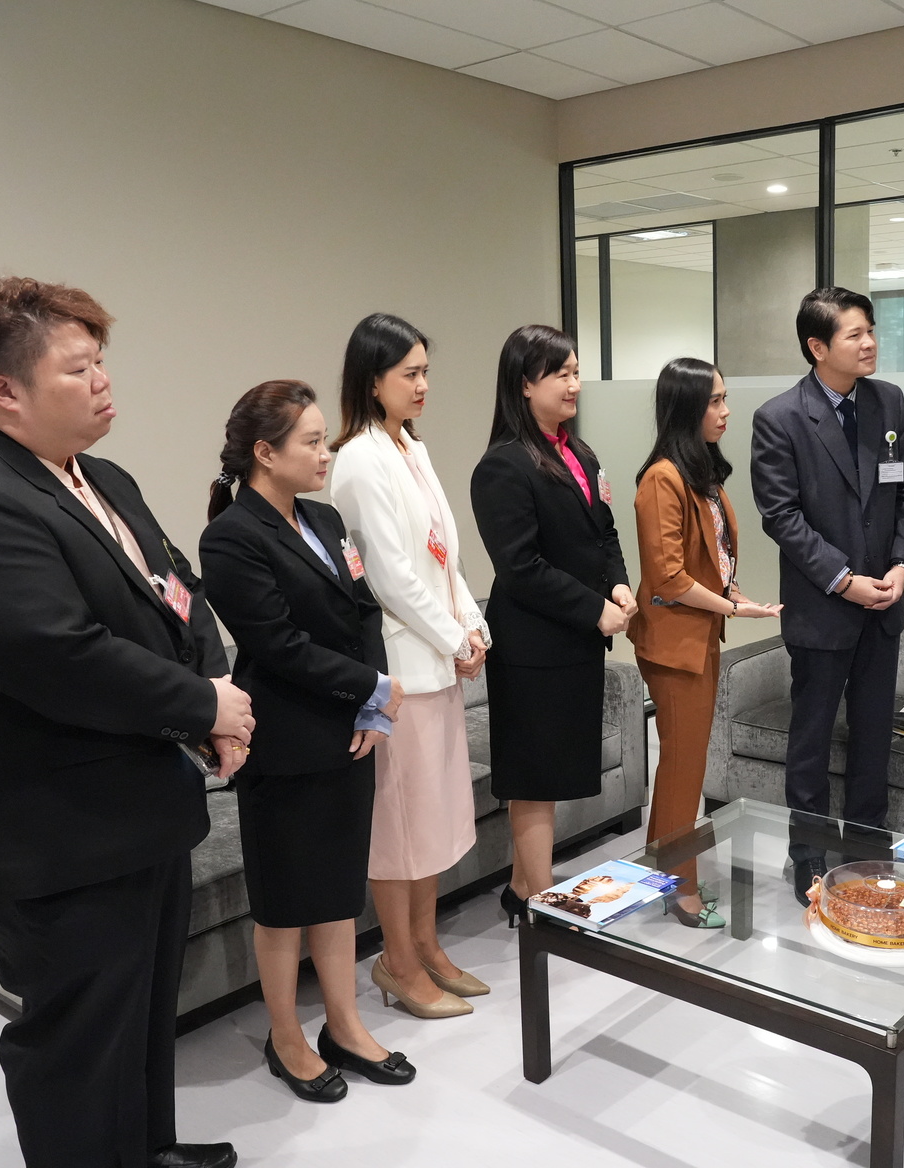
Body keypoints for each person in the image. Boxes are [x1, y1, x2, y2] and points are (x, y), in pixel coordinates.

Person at [0, 277, 246, 1168]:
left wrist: (211, 681)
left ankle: (150, 1148)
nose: (102, 381)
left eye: (101, 362)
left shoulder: (104, 478)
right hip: (56, 834)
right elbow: (60, 656)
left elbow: (178, 590)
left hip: (141, 807)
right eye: (78, 367)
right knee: (79, 1046)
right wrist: (202, 704)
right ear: (4, 391)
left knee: (142, 1011)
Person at [200, 381, 413, 1103]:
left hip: (347, 733)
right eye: (313, 442)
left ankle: (344, 1026)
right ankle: (287, 1036)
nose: (326, 454)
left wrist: (372, 702)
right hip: (285, 741)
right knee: (286, 900)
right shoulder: (231, 537)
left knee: (337, 891)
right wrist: (369, 687)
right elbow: (278, 644)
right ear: (265, 452)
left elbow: (363, 611)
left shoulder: (323, 518)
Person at [329, 314, 491, 1018]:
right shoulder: (359, 459)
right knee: (399, 828)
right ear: (374, 381)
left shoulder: (410, 446)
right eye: (411, 374)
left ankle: (426, 945)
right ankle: (396, 961)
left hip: (438, 660)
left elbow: (444, 557)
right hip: (400, 668)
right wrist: (455, 639)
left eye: (427, 372)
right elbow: (390, 576)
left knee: (432, 821)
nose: (424, 385)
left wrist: (474, 626)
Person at [751, 287, 904, 904]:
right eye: (855, 334)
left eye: (871, 330)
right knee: (812, 741)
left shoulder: (888, 401)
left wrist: (901, 563)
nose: (870, 342)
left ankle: (869, 855)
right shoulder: (780, 418)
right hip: (825, 609)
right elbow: (782, 517)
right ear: (817, 347)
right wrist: (845, 580)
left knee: (874, 739)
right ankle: (809, 858)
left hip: (883, 604)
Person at [470, 324, 635, 925]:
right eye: (560, 374)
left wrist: (618, 583)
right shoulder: (502, 466)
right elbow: (520, 567)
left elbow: (604, 532)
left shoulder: (579, 452)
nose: (574, 384)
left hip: (574, 641)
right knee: (535, 778)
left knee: (555, 771)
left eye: (575, 371)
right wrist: (594, 609)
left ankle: (522, 887)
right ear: (524, 384)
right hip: (532, 645)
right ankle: (544, 905)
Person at [629, 357, 781, 927]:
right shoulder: (661, 479)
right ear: (687, 407)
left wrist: (735, 595)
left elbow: (711, 560)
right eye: (715, 401)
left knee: (681, 765)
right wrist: (734, 607)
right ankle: (682, 889)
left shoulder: (701, 474)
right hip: (674, 645)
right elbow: (668, 577)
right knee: (683, 768)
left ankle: (660, 873)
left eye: (724, 398)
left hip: (699, 636)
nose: (725, 411)